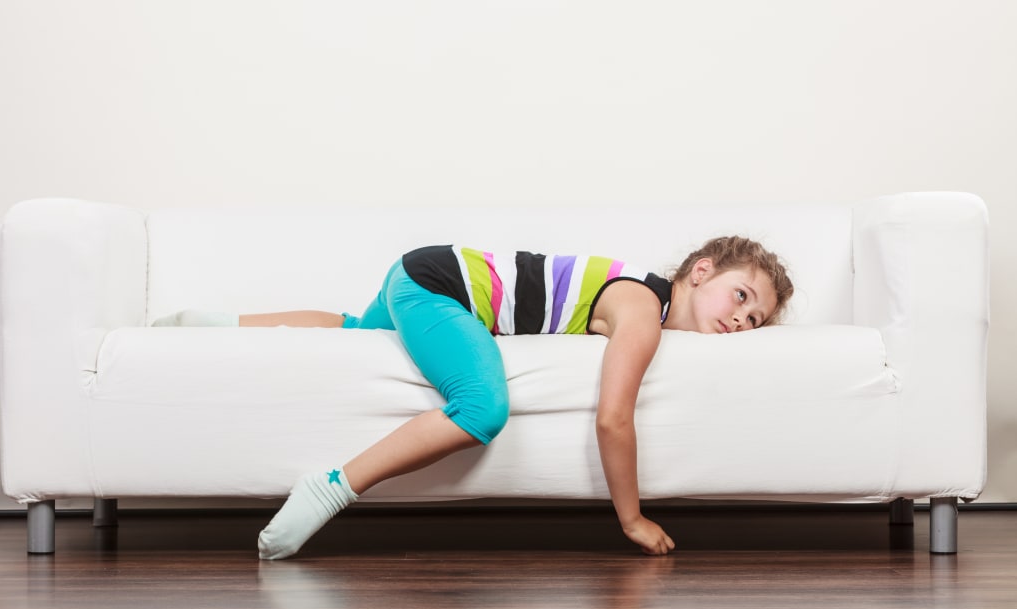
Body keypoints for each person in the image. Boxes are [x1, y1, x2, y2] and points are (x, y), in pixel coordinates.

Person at [153, 236, 793, 559]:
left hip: (425, 268)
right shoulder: (642, 308)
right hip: (439, 284)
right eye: (741, 297)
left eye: (756, 319)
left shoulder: (641, 299)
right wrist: (631, 518)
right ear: (700, 270)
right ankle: (330, 487)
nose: (743, 320)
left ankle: (213, 327)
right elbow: (613, 417)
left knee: (356, 330)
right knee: (481, 406)